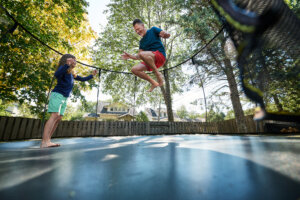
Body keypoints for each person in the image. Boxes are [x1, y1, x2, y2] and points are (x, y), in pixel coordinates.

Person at [40, 54, 97, 148]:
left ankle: (48, 140)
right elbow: (56, 75)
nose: (75, 62)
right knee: (54, 116)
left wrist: (92, 75)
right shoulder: (63, 68)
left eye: (76, 61)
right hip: (57, 95)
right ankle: (44, 141)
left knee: (58, 118)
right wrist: (66, 64)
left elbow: (82, 79)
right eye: (74, 60)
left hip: (65, 97)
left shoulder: (71, 72)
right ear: (68, 60)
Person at [121, 19, 170, 92]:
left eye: (138, 29)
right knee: (134, 69)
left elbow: (165, 34)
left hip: (160, 56)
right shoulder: (141, 42)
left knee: (142, 54)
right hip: (151, 61)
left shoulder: (153, 30)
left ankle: (157, 74)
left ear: (143, 26)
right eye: (136, 31)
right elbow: (139, 56)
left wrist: (166, 34)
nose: (137, 32)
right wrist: (130, 56)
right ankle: (153, 83)